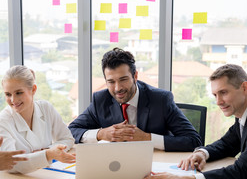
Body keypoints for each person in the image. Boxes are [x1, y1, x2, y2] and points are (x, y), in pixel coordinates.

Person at [69, 48, 201, 151]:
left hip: (154, 164)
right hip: (115, 165)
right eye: (111, 82)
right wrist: (101, 134)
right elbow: (71, 131)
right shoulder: (101, 99)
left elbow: (193, 140)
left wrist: (146, 138)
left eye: (123, 79)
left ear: (135, 76)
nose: (117, 88)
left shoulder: (161, 99)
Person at [0, 65, 75, 174]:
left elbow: (67, 138)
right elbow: (10, 163)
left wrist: (48, 150)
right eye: (8, 94)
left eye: (19, 93)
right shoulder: (2, 121)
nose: (13, 100)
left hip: (43, 175)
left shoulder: (46, 108)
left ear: (33, 89)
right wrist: (48, 154)